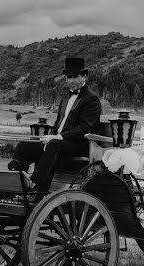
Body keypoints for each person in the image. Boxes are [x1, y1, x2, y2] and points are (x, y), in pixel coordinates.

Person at [8, 57, 102, 192]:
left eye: (75, 76)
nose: (71, 81)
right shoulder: (65, 98)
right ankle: (16, 179)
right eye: (69, 77)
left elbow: (86, 128)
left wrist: (59, 137)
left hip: (78, 145)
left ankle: (37, 187)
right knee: (25, 145)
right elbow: (58, 124)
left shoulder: (91, 99)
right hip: (59, 143)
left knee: (53, 145)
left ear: (84, 76)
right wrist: (50, 136)